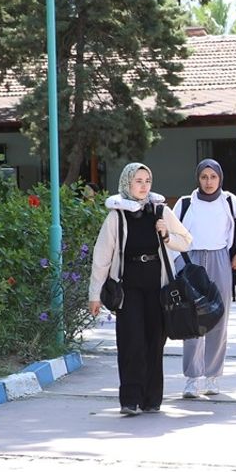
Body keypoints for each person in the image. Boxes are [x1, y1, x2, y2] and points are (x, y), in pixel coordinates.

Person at [88, 163, 193, 416]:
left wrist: (167, 236)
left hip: (157, 288)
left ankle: (152, 399)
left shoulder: (159, 210)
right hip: (128, 288)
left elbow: (187, 241)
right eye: (138, 181)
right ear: (127, 183)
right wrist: (95, 294)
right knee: (131, 341)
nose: (143, 186)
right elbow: (101, 257)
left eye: (147, 180)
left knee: (154, 342)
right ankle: (130, 400)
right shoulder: (117, 215)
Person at [171, 158, 236, 398]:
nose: (209, 182)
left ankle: (212, 377)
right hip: (191, 261)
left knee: (218, 318)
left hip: (221, 260)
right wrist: (175, 264)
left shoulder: (229, 201)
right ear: (198, 178)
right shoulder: (185, 203)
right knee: (192, 319)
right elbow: (170, 233)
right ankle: (192, 378)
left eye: (213, 177)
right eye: (204, 177)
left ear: (220, 178)